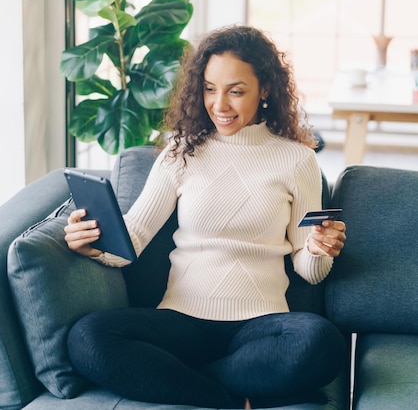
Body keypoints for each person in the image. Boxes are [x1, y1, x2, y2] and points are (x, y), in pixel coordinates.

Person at [64, 25, 347, 408]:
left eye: (236, 91)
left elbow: (307, 269)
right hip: (181, 320)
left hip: (260, 326)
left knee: (321, 342)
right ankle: (229, 397)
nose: (220, 105)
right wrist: (93, 245)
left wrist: (319, 248)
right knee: (87, 336)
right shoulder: (181, 151)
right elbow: (135, 235)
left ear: (265, 89)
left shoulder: (297, 159)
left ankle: (182, 378)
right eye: (210, 89)